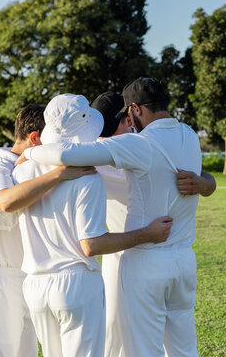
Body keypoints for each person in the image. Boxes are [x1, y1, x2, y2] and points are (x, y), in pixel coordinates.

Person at [20, 78, 212, 356]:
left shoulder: (138, 145)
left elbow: (65, 152)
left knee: (144, 350)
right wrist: (208, 183)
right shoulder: (190, 135)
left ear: (135, 108)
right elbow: (200, 177)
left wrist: (27, 151)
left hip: (145, 262)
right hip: (184, 259)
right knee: (185, 350)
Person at [90, 91, 216, 357]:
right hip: (121, 255)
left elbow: (201, 174)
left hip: (156, 256)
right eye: (125, 122)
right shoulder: (98, 161)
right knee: (114, 333)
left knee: (151, 341)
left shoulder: (146, 145)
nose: (131, 127)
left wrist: (205, 183)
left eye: (129, 119)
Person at [0, 104, 95, 357]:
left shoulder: (30, 169)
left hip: (26, 276)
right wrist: (58, 175)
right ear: (35, 138)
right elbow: (5, 203)